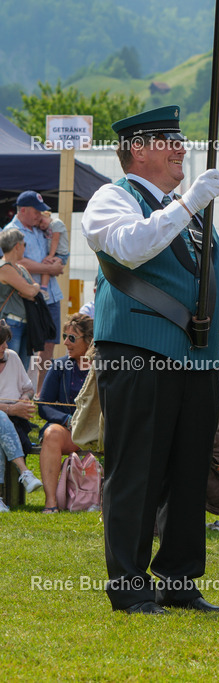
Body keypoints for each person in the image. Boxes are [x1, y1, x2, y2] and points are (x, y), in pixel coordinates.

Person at [82, 104, 219, 615]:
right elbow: (130, 247)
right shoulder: (113, 197)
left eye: (180, 139)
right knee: (137, 468)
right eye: (167, 140)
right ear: (137, 149)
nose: (181, 148)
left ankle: (178, 579)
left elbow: (217, 278)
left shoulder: (193, 209)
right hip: (138, 351)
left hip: (195, 358)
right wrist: (189, 204)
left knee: (187, 470)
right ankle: (129, 585)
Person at [6, 191, 64, 386]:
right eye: (37, 211)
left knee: (49, 343)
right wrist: (50, 268)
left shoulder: (41, 228)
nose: (40, 215)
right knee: (25, 347)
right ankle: (17, 392)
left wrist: (58, 260)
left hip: (51, 296)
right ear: (23, 210)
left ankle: (41, 393)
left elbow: (58, 249)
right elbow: (17, 261)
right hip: (30, 300)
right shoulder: (10, 231)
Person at [37, 314, 92, 513]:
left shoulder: (103, 367)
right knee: (52, 434)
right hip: (70, 431)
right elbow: (43, 406)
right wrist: (66, 420)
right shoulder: (59, 365)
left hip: (98, 433)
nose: (66, 343)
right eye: (64, 336)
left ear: (89, 340)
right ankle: (51, 503)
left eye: (72, 338)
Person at [0, 321, 43, 511]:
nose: (5, 347)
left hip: (15, 423)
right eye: (1, 342)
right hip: (7, 417)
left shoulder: (13, 358)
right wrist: (9, 410)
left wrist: (24, 400)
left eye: (6, 342)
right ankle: (25, 472)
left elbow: (28, 389)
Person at [0, 227, 42, 364]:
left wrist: (33, 289)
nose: (25, 248)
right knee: (8, 368)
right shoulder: (4, 268)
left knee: (20, 372)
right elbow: (30, 291)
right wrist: (33, 288)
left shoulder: (21, 268)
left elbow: (34, 292)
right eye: (24, 244)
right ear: (17, 246)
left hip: (25, 324)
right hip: (10, 324)